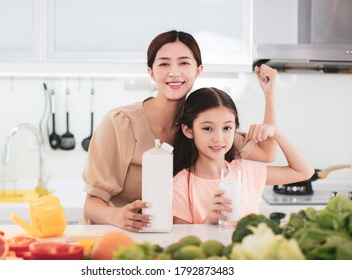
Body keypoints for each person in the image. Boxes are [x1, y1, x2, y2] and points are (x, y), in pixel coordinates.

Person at [82, 30, 278, 232]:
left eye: (184, 63)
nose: (174, 72)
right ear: (151, 71)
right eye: (164, 64)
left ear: (198, 70)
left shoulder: (202, 125)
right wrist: (117, 216)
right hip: (118, 237)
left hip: (172, 241)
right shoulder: (121, 123)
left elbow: (267, 152)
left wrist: (269, 96)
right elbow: (91, 204)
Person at [172, 87, 314, 225]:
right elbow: (181, 243)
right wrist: (207, 222)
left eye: (227, 128)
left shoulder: (246, 172)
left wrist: (276, 133)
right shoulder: (179, 186)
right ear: (188, 130)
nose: (219, 138)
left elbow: (304, 172)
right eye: (207, 128)